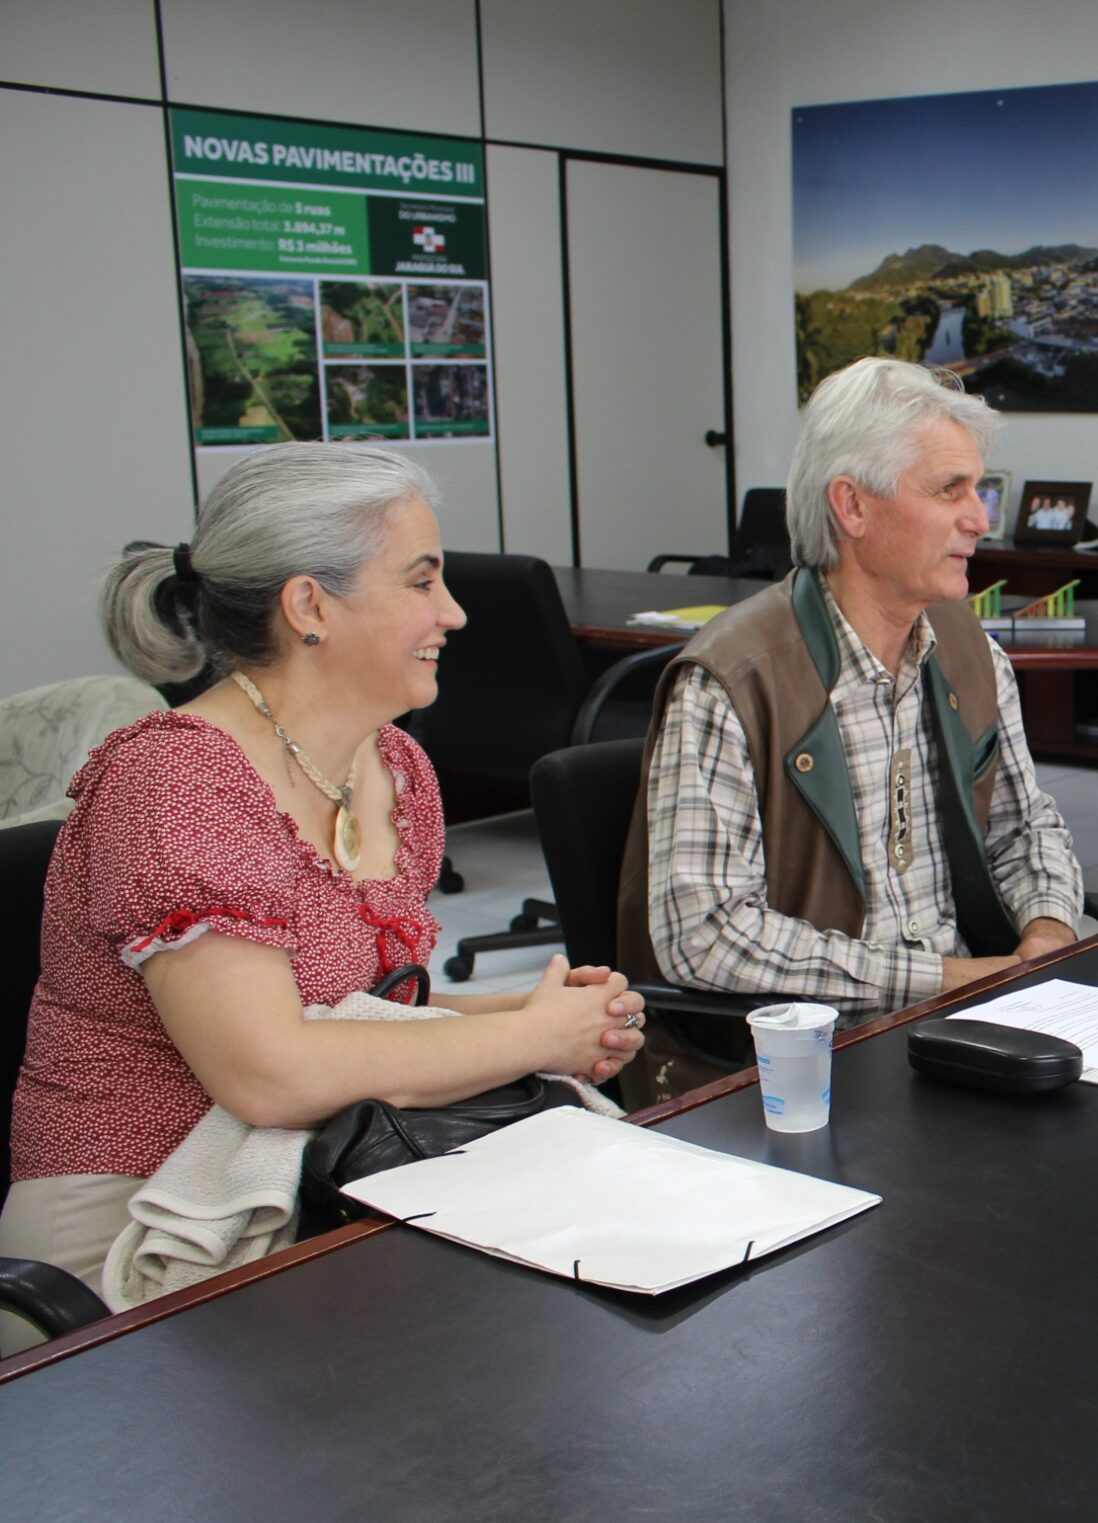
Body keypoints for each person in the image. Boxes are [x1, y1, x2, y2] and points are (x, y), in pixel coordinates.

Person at [3, 445, 647, 1349]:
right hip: (145, 1220)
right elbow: (269, 1071)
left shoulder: (394, 766)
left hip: (311, 1168)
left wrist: (537, 1013)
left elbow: (364, 1014)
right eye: (421, 582)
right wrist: (532, 1038)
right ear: (309, 605)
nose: (453, 614)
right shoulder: (175, 783)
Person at [620, 357, 1082, 1096]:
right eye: (948, 490)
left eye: (979, 488)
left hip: (956, 1033)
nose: (981, 518)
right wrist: (948, 978)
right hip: (795, 1068)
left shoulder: (970, 653)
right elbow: (704, 936)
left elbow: (1027, 830)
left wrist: (1048, 936)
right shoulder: (734, 681)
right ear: (853, 507)